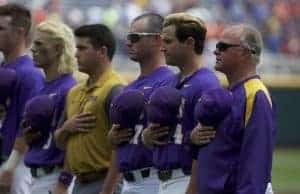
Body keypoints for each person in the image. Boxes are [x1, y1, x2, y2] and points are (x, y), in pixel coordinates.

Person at [189, 24, 277, 194]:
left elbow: (256, 164)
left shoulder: (255, 95)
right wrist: (193, 139)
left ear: (245, 52)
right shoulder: (230, 92)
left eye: (223, 47)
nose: (215, 52)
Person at [142, 13, 221, 194]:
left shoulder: (206, 83)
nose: (162, 48)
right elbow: (160, 136)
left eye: (168, 42)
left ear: (190, 43)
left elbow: (206, 147)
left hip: (186, 179)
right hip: (162, 181)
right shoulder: (170, 82)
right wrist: (147, 137)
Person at [54, 24, 126, 194]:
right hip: (79, 184)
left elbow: (122, 147)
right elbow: (60, 141)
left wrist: (108, 190)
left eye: (82, 48)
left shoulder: (116, 90)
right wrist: (66, 129)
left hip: (104, 182)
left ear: (102, 51)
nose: (76, 54)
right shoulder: (74, 91)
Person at [107, 13, 174, 194]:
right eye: (129, 37)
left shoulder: (170, 82)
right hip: (128, 181)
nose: (128, 43)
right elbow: (119, 144)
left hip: (156, 178)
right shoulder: (129, 88)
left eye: (135, 38)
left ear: (158, 40)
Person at [21, 18, 77, 194]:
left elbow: (73, 142)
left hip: (55, 176)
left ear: (59, 48)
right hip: (36, 176)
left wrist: (63, 182)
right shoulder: (42, 86)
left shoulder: (69, 88)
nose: (32, 48)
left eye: (39, 43)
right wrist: (29, 136)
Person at [0, 3, 44, 194]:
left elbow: (28, 126)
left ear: (20, 32)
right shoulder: (3, 68)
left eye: (1, 28)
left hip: (16, 163)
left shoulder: (29, 74)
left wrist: (10, 168)